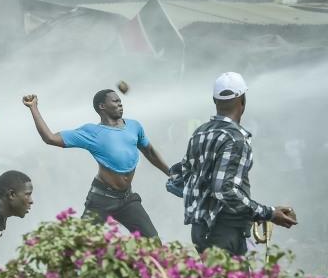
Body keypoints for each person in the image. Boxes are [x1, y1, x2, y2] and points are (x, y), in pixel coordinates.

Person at [168, 72, 297, 255]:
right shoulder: (236, 139)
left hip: (200, 231)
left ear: (214, 101)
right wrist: (268, 213)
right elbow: (224, 190)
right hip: (223, 231)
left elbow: (184, 175)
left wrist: (251, 212)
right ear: (243, 101)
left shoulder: (199, 133)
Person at [22, 89, 169, 239]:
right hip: (101, 199)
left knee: (153, 241)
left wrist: (170, 173)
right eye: (115, 101)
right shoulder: (91, 132)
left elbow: (150, 152)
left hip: (127, 198)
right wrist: (34, 107)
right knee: (82, 245)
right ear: (102, 106)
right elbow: (50, 138)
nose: (120, 103)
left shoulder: (134, 126)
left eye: (120, 101)